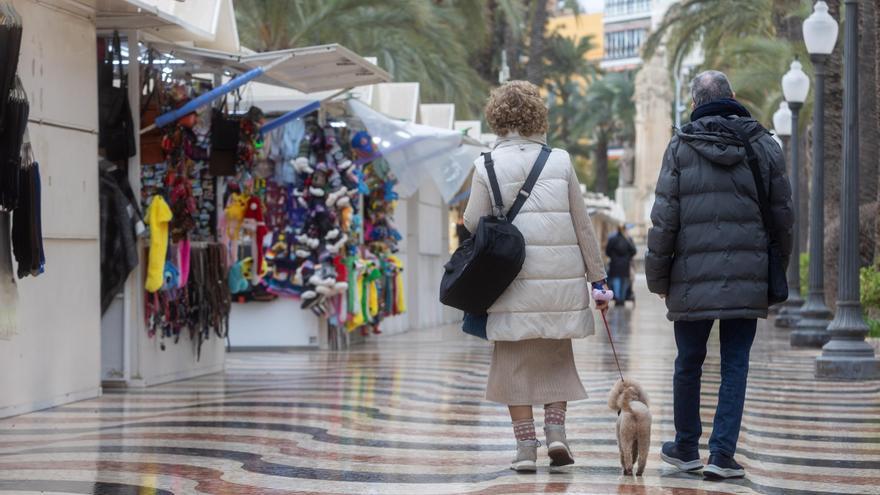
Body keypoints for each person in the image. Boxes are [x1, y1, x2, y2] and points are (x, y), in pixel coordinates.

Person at [645, 70, 793, 480]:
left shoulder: (680, 145)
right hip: (747, 274)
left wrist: (658, 279)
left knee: (689, 361)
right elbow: (784, 217)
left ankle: (686, 446)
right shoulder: (765, 144)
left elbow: (664, 220)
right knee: (735, 363)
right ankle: (722, 454)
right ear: (733, 97)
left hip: (690, 278)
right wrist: (774, 269)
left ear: (694, 105)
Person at [463, 81, 608, 472]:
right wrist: (598, 279)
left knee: (512, 365)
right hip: (559, 284)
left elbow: (473, 221)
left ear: (497, 118)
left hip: (510, 280)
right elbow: (582, 224)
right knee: (556, 359)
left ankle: (526, 449)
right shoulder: (559, 161)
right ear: (537, 117)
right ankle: (557, 435)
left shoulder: (486, 164)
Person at [605, 224, 637, 305]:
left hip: (614, 265)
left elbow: (607, 251)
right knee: (625, 282)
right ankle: (622, 299)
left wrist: (613, 256)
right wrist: (628, 257)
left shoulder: (612, 239)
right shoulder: (628, 240)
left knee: (616, 281)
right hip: (625, 265)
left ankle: (618, 298)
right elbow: (634, 251)